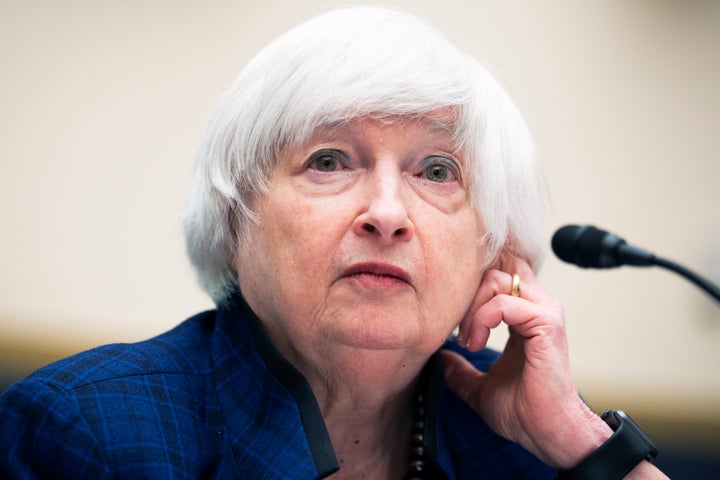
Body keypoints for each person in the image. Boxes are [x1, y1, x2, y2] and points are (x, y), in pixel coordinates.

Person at [0, 6, 667, 479]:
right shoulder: (89, 431)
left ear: (496, 257)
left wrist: (584, 447)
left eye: (437, 171)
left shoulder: (524, 443)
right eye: (329, 161)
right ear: (234, 222)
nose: (386, 213)